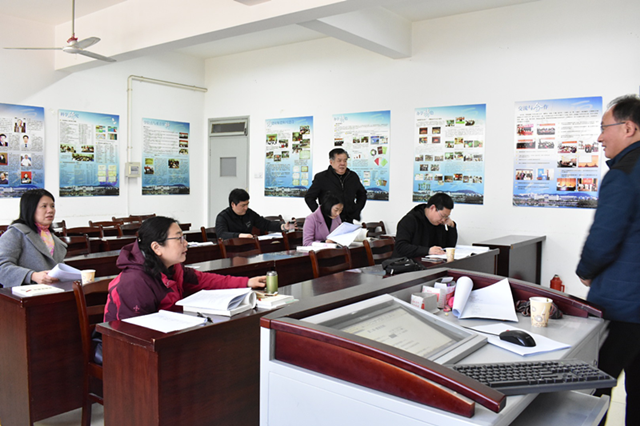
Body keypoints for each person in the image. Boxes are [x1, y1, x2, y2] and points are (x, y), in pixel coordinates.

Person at [576, 94, 640, 426]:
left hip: (622, 305)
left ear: (628, 128)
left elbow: (604, 236)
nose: (600, 137)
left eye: (604, 128)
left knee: (593, 388)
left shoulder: (624, 173)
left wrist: (586, 271)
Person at [104, 216, 267, 322]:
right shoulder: (134, 282)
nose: (186, 243)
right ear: (157, 247)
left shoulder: (173, 268)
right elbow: (133, 333)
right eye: (179, 238)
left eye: (184, 237)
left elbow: (204, 280)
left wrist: (246, 282)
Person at [0, 189, 66, 287]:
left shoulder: (51, 236)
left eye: (52, 206)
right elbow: (2, 267)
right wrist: (32, 275)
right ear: (30, 209)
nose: (50, 210)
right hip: (24, 292)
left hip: (52, 290)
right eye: (44, 206)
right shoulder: (15, 233)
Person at [304, 148, 367, 223]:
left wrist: (356, 209)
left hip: (348, 220)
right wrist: (320, 215)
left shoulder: (353, 176)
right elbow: (309, 197)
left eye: (345, 160)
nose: (342, 163)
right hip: (329, 221)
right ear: (331, 162)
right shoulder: (322, 177)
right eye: (339, 160)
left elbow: (362, 194)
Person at [392, 192, 457, 258]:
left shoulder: (439, 222)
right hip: (407, 262)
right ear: (432, 208)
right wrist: (428, 251)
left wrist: (452, 227)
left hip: (429, 262)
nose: (443, 219)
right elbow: (401, 247)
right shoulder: (410, 220)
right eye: (443, 215)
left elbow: (448, 247)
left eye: (446, 216)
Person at [215, 188, 294, 240]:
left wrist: (283, 226)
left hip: (248, 246)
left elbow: (265, 224)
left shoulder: (249, 213)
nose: (246, 208)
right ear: (233, 204)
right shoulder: (223, 217)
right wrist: (240, 236)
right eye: (243, 205)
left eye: (247, 204)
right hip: (230, 249)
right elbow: (222, 234)